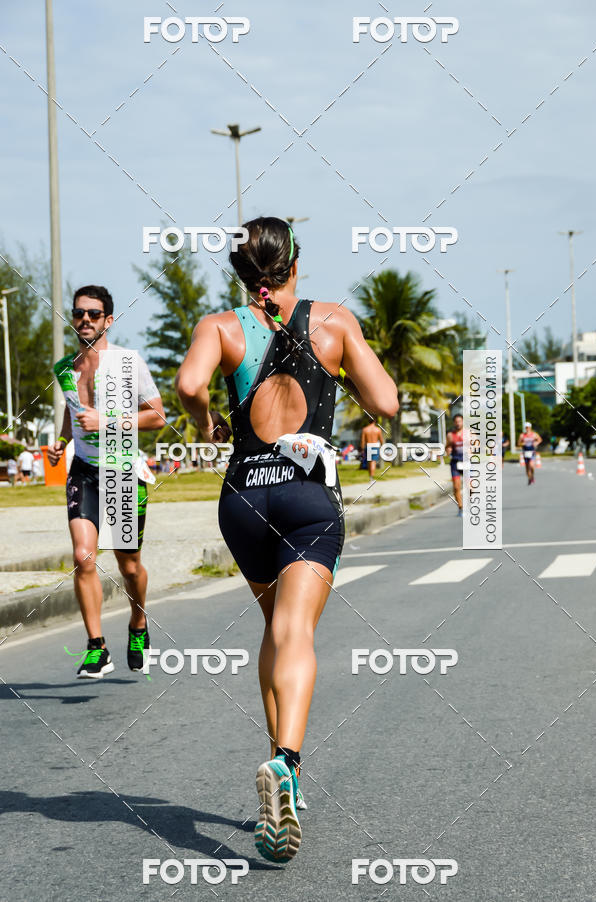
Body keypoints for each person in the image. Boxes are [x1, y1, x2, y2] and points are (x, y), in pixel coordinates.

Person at [175, 217, 398, 863]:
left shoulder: (219, 327)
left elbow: (188, 386)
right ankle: (288, 765)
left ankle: (280, 764)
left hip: (244, 497)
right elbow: (385, 402)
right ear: (295, 262)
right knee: (295, 631)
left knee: (273, 628)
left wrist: (208, 421)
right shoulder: (334, 320)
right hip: (307, 497)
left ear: (240, 273)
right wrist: (344, 375)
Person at [47, 286, 164, 679]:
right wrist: (62, 441)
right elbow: (73, 411)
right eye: (79, 313)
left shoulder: (128, 362)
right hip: (83, 470)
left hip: (122, 472)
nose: (85, 319)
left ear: (108, 320)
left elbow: (157, 416)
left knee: (129, 566)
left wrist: (107, 421)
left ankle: (138, 623)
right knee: (83, 556)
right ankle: (97, 647)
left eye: (93, 314)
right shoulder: (64, 368)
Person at [445, 413, 464, 515]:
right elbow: (447, 446)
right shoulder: (450, 435)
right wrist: (448, 450)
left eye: (459, 421)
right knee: (456, 487)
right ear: (454, 423)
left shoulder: (470, 433)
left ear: (463, 422)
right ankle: (460, 508)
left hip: (467, 462)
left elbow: (477, 445)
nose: (458, 423)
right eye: (456, 422)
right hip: (455, 462)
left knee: (471, 487)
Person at [518, 421, 542, 485]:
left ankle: (532, 476)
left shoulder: (534, 434)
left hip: (532, 451)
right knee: (527, 467)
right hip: (525, 452)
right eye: (526, 427)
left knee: (531, 465)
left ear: (530, 427)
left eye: (528, 427)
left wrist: (536, 443)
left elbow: (540, 439)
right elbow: (518, 443)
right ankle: (529, 478)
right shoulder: (522, 435)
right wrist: (522, 444)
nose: (527, 429)